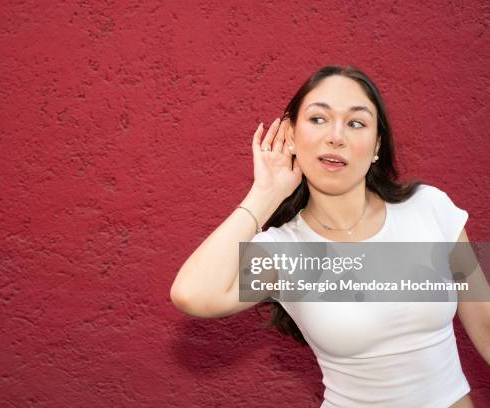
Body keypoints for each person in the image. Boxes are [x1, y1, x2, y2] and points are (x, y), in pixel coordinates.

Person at [170, 65, 490, 408]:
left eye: (356, 123)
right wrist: (265, 194)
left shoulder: (429, 207)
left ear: (377, 144)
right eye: (319, 119)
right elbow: (192, 294)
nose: (336, 136)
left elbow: (486, 326)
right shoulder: (286, 251)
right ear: (290, 135)